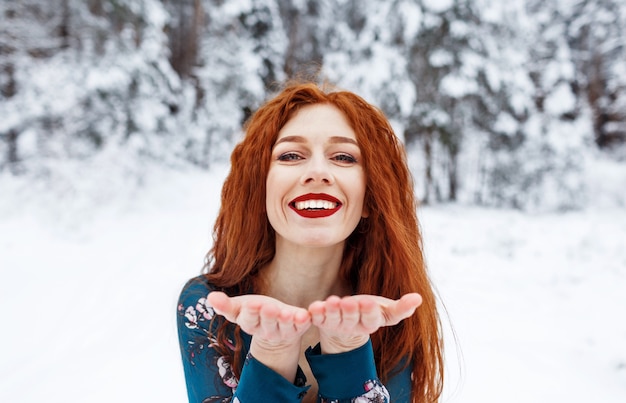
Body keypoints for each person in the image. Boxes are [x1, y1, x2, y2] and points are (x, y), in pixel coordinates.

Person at [177, 81, 444, 403]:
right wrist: (271, 354)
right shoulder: (207, 306)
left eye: (344, 157)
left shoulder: (391, 313)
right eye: (290, 155)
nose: (318, 172)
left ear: (371, 197)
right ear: (259, 189)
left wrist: (348, 353)